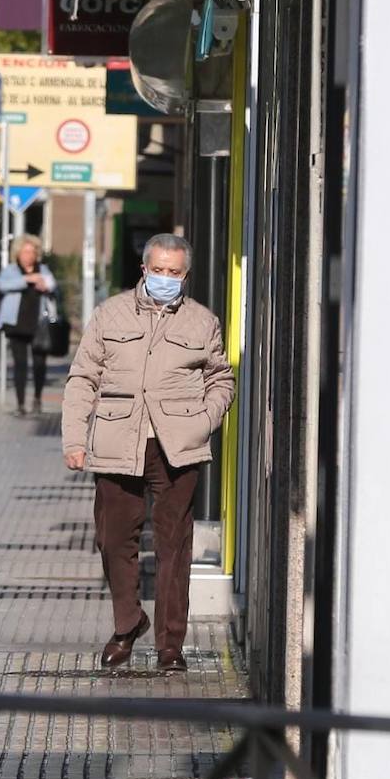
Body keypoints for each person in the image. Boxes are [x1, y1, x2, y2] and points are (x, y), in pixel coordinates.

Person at [60, 234, 235, 673]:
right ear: (144, 269)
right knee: (114, 540)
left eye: (174, 273)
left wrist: (204, 420)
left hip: (178, 447)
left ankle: (170, 646)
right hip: (118, 442)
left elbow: (221, 380)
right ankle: (128, 622)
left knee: (175, 548)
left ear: (185, 276)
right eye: (159, 270)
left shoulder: (202, 322)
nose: (165, 278)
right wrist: (74, 440)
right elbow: (83, 378)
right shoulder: (110, 313)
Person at [0, 234, 57, 414]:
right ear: (18, 253)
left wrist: (44, 285)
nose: (28, 255)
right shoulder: (12, 270)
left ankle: (37, 398)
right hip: (17, 323)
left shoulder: (42, 269)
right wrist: (26, 280)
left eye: (31, 251)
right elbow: (2, 285)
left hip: (38, 323)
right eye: (25, 251)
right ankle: (20, 403)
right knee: (19, 364)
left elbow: (52, 285)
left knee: (39, 364)